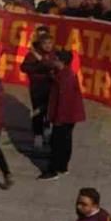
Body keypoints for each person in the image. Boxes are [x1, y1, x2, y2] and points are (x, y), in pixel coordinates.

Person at [41, 51, 85, 180]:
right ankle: (62, 166)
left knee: (57, 143)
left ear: (62, 62)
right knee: (65, 142)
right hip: (69, 116)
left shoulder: (65, 78)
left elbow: (64, 101)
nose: (54, 61)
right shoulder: (64, 74)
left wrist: (58, 119)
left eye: (56, 59)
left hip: (64, 117)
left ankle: (53, 170)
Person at [22, 32, 55, 140]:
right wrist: (37, 68)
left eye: (50, 43)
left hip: (51, 86)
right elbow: (23, 68)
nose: (48, 46)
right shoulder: (32, 55)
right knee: (37, 111)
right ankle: (38, 134)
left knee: (49, 109)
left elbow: (53, 66)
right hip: (37, 87)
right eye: (45, 43)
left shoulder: (55, 54)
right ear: (40, 44)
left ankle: (47, 127)